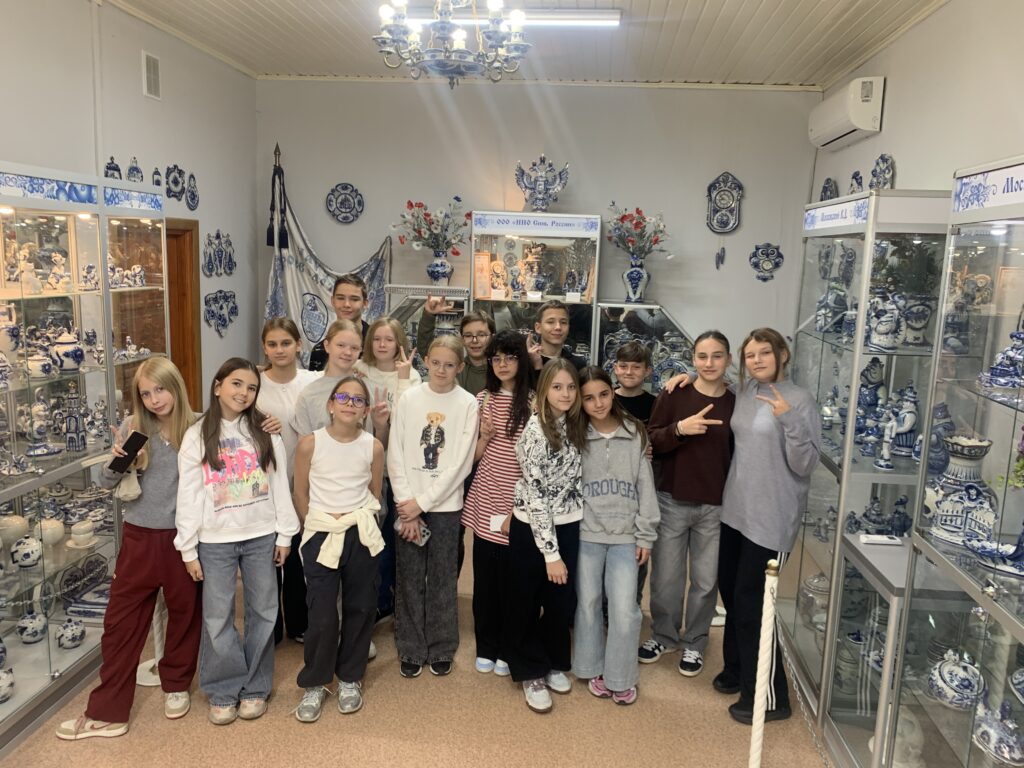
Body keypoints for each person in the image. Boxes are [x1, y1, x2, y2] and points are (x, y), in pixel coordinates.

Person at [56, 359, 200, 740]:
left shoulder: (199, 428)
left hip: (184, 540)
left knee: (185, 615)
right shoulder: (134, 426)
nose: (154, 400)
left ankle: (177, 685)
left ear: (176, 386)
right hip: (138, 538)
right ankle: (108, 711)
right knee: (120, 624)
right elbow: (106, 483)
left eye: (160, 389)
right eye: (146, 393)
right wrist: (120, 459)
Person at [174, 358, 300, 725]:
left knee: (264, 612)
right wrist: (187, 547)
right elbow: (188, 495)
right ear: (218, 387)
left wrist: (285, 533)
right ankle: (224, 687)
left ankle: (256, 686)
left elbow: (279, 484)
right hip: (215, 541)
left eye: (251, 387)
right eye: (236, 384)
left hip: (261, 535)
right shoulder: (197, 435)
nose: (244, 393)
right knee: (218, 617)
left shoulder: (265, 431)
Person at [716, 328, 819, 724]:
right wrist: (686, 378)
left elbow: (805, 465)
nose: (757, 360)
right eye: (750, 355)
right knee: (733, 594)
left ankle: (771, 697)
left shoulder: (800, 400)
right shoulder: (744, 391)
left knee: (754, 604)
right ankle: (737, 671)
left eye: (764, 353)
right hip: (736, 512)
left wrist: (788, 419)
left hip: (771, 519)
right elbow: (713, 380)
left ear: (783, 354)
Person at [640, 331, 735, 679]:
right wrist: (680, 429)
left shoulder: (736, 402)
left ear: (728, 360)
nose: (709, 363)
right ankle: (664, 636)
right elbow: (651, 439)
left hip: (716, 506)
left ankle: (695, 641)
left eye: (717, 356)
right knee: (666, 578)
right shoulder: (674, 393)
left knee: (706, 581)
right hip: (672, 499)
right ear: (693, 359)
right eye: (702, 356)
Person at [292, 376, 385, 722]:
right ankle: (316, 681)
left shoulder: (372, 446)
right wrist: (314, 523)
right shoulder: (310, 444)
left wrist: (357, 521)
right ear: (331, 404)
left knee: (361, 606)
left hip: (359, 533)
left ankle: (349, 677)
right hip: (321, 533)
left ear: (365, 411)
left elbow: (375, 491)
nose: (350, 403)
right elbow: (300, 491)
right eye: (343, 397)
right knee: (322, 612)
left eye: (358, 400)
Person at [387, 335, 478, 678]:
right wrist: (406, 504)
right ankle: (411, 646)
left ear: (460, 367)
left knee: (442, 576)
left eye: (449, 365)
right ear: (426, 361)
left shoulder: (467, 403)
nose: (441, 370)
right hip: (407, 501)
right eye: (436, 363)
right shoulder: (409, 398)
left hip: (445, 506)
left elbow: (461, 463)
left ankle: (441, 645)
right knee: (410, 576)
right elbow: (396, 450)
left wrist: (423, 503)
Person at [573, 367, 658, 706]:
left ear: (613, 392)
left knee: (625, 609)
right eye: (589, 398)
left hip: (626, 536)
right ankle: (590, 666)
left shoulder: (634, 431)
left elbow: (645, 486)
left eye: (604, 394)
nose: (598, 403)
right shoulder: (574, 434)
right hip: (586, 535)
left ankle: (621, 676)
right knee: (588, 604)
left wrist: (645, 535)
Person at [505, 358, 586, 714]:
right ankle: (530, 671)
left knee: (559, 602)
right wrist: (551, 554)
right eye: (557, 387)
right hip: (534, 528)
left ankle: (553, 660)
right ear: (543, 391)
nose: (565, 394)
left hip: (568, 523)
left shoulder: (577, 424)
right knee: (525, 599)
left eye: (571, 387)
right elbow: (536, 496)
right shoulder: (536, 432)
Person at [462, 330, 533, 677]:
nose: (502, 364)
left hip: (520, 502)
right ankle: (486, 645)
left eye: (510, 357)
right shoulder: (482, 399)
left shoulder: (535, 401)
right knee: (485, 580)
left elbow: (537, 461)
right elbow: (471, 458)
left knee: (514, 580)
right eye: (496, 358)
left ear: (522, 360)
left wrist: (517, 508)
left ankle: (509, 646)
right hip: (486, 496)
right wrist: (485, 436)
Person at [257, 317, 321, 644]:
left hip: (303, 482)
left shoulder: (314, 380)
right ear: (264, 348)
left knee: (297, 553)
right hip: (265, 482)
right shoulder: (254, 384)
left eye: (286, 343)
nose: (279, 350)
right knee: (268, 555)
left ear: (298, 345)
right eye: (272, 344)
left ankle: (299, 621)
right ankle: (270, 625)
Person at [354, 316, 421, 623]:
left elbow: (410, 419)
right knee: (369, 536)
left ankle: (392, 597)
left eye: (389, 339)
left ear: (398, 344)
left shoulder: (411, 376)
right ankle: (375, 598)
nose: (382, 344)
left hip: (398, 469)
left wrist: (404, 378)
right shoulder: (360, 369)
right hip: (363, 466)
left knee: (395, 536)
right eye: (377, 339)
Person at [294, 319, 386, 439]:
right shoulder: (308, 395)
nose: (347, 352)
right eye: (341, 345)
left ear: (360, 351)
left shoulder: (371, 389)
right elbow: (303, 447)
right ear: (327, 346)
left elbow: (381, 445)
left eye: (354, 348)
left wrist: (381, 428)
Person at [416, 296, 494, 395]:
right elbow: (426, 349)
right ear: (462, 339)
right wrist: (429, 315)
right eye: (468, 335)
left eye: (481, 335)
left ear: (492, 337)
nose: (474, 340)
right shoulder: (455, 368)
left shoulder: (499, 369)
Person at [307, 274, 370, 371]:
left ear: (365, 303)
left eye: (354, 299)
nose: (346, 304)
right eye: (340, 298)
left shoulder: (378, 344)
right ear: (333, 301)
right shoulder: (320, 351)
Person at [528, 300, 587, 374]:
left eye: (563, 322)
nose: (558, 327)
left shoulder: (577, 365)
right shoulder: (527, 361)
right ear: (538, 328)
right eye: (550, 322)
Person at [612, 341, 656, 424]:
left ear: (647, 371)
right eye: (623, 366)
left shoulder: (654, 404)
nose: (629, 372)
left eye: (636, 367)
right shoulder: (606, 400)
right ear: (615, 368)